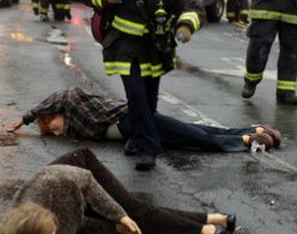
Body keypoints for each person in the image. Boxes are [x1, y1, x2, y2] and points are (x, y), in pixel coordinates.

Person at [80, 0, 205, 171]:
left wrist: (186, 26)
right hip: (125, 47)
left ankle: (137, 138)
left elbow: (193, 3)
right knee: (136, 95)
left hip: (155, 48)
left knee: (148, 100)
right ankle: (148, 149)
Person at [0, 147, 235, 234]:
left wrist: (119, 216)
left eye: (50, 230)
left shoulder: (50, 188)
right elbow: (80, 226)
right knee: (130, 223)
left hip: (80, 167)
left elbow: (86, 181)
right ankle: (212, 219)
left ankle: (202, 230)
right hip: (65, 196)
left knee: (132, 211)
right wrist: (114, 228)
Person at [2, 87, 282, 152]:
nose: (55, 133)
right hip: (135, 130)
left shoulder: (75, 103)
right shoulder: (77, 130)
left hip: (132, 118)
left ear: (55, 114)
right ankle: (252, 130)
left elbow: (59, 95)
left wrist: (25, 118)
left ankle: (247, 140)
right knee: (188, 133)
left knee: (193, 136)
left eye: (50, 126)